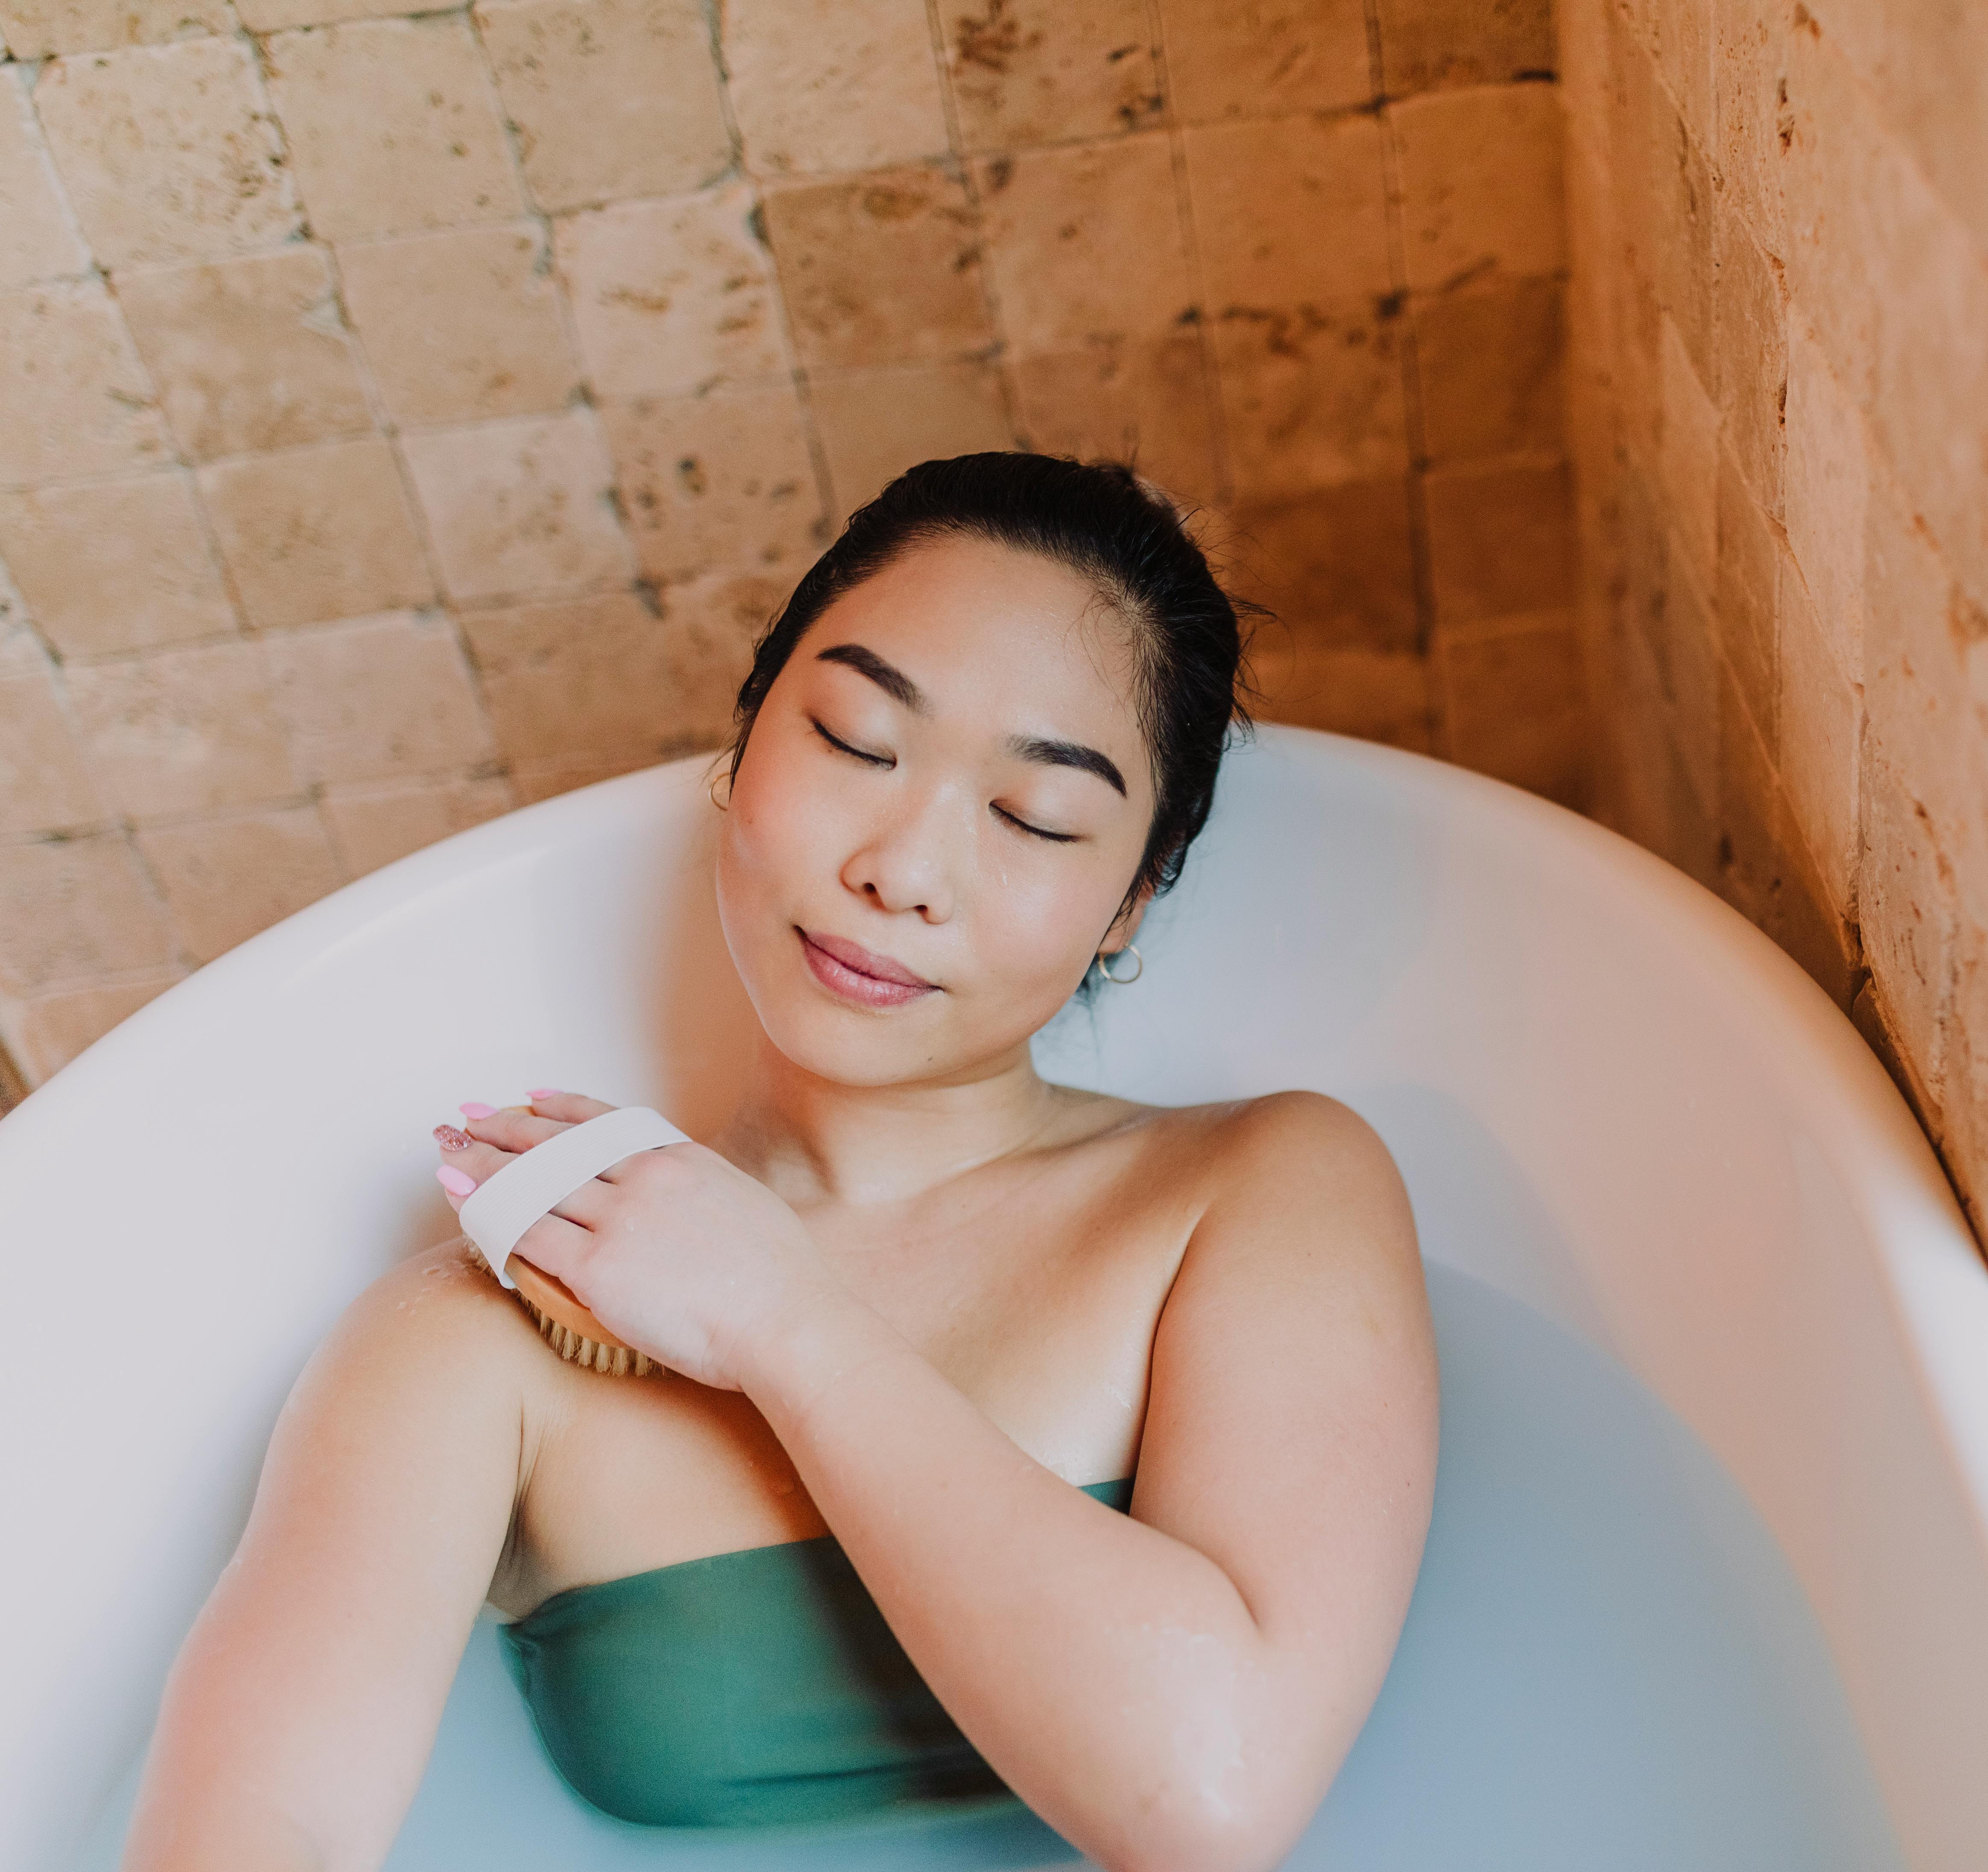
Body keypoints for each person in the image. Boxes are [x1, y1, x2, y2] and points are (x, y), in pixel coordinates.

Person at [120, 454, 1440, 1872]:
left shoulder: (1256, 1191)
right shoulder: (488, 1334)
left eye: (1033, 818)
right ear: (745, 741)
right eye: (858, 740)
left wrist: (783, 1321)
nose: (904, 869)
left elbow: (1208, 1796)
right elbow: (261, 1830)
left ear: (1128, 898)